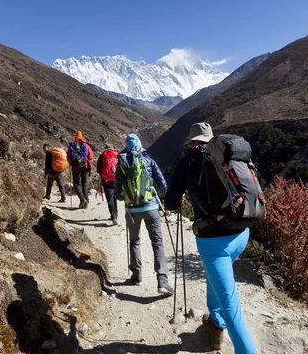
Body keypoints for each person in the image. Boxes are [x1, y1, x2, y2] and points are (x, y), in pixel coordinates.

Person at [164, 122, 258, 354]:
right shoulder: (228, 157)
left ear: (193, 141)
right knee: (216, 277)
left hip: (214, 242)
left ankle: (245, 349)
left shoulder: (187, 161)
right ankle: (215, 322)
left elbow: (171, 203)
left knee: (231, 306)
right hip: (241, 233)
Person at [114, 134, 174, 296]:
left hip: (132, 210)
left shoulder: (121, 165)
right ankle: (162, 281)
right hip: (151, 208)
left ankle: (137, 276)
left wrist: (128, 196)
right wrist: (159, 198)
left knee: (134, 241)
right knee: (157, 242)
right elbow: (162, 185)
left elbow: (118, 194)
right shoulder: (149, 161)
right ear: (140, 146)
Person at [67, 131, 93, 209]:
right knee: (84, 183)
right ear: (82, 137)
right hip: (84, 166)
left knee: (76, 184)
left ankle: (82, 200)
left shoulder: (72, 145)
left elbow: (68, 157)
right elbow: (91, 156)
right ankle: (86, 200)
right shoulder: (86, 145)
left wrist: (73, 162)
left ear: (75, 137)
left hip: (76, 167)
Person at [97, 144, 120, 226]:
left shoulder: (103, 155)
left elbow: (98, 168)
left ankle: (113, 216)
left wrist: (102, 175)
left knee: (109, 197)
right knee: (114, 196)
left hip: (106, 179)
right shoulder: (116, 154)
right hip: (116, 179)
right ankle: (116, 214)